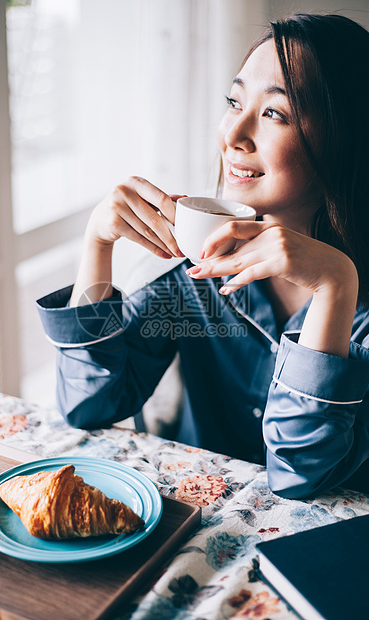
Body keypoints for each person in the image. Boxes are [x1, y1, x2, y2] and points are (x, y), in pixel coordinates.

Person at [37, 13, 369, 499]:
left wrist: (336, 286)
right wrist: (98, 245)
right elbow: (89, 403)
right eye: (234, 101)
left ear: (345, 140)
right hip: (189, 527)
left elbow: (302, 478)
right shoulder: (199, 276)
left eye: (275, 113)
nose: (233, 132)